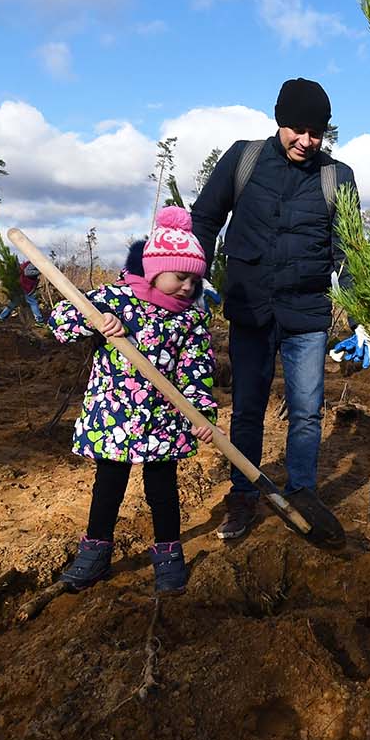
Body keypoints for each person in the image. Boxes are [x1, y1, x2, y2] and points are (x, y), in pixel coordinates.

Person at [191, 78, 362, 549]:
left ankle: (301, 493)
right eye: (298, 129)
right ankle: (243, 493)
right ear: (279, 120)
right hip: (249, 309)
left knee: (307, 412)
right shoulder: (244, 159)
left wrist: (361, 318)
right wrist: (196, 272)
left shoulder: (336, 177)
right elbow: (205, 217)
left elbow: (349, 253)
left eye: (317, 133)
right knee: (246, 409)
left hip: (306, 314)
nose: (307, 141)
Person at [50, 207, 218, 595]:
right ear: (156, 269)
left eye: (195, 280)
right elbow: (59, 321)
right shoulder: (116, 299)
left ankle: (169, 556)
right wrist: (94, 321)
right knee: (108, 485)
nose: (188, 288)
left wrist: (202, 415)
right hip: (114, 417)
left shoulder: (189, 320)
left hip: (165, 421)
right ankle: (94, 554)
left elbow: (196, 372)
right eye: (180, 277)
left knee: (162, 488)